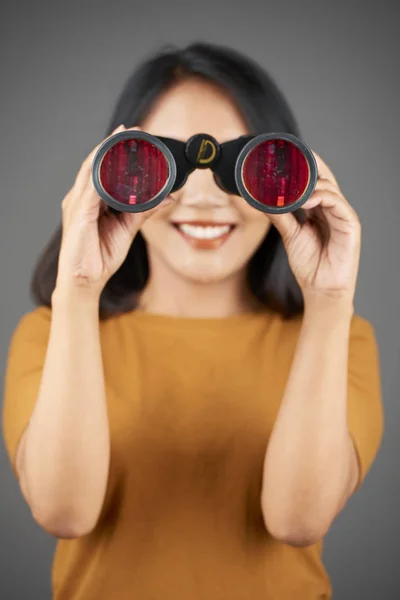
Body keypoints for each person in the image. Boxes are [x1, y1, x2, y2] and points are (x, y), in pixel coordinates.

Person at [2, 41, 384, 600]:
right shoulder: (53, 331)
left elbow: (298, 522)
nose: (203, 197)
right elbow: (64, 512)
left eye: (242, 166)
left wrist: (328, 300)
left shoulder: (341, 338)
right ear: (113, 175)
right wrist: (79, 289)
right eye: (162, 163)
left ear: (288, 174)